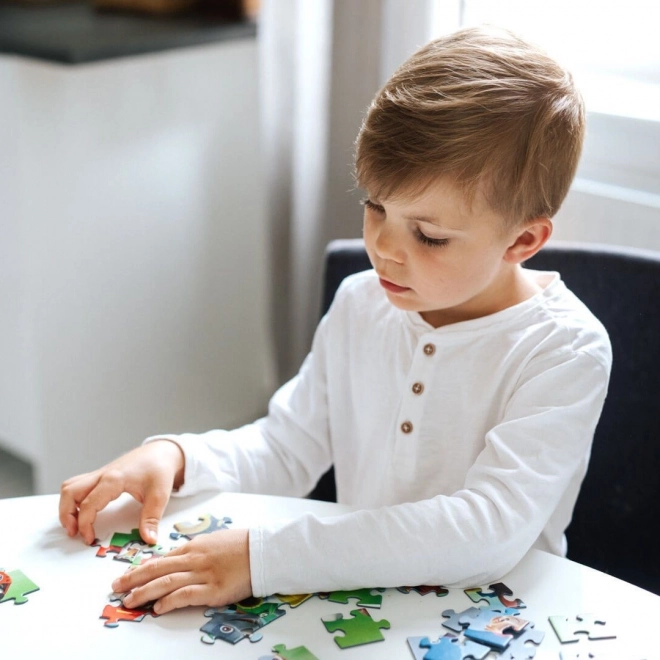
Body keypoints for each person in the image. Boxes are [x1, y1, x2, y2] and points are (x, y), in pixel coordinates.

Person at [59, 26, 611, 616]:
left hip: (499, 622)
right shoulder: (361, 301)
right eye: (375, 205)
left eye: (429, 236)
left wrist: (263, 558)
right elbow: (286, 445)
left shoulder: (565, 351)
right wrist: (178, 456)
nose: (383, 248)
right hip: (358, 609)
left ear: (523, 240)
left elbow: (486, 529)